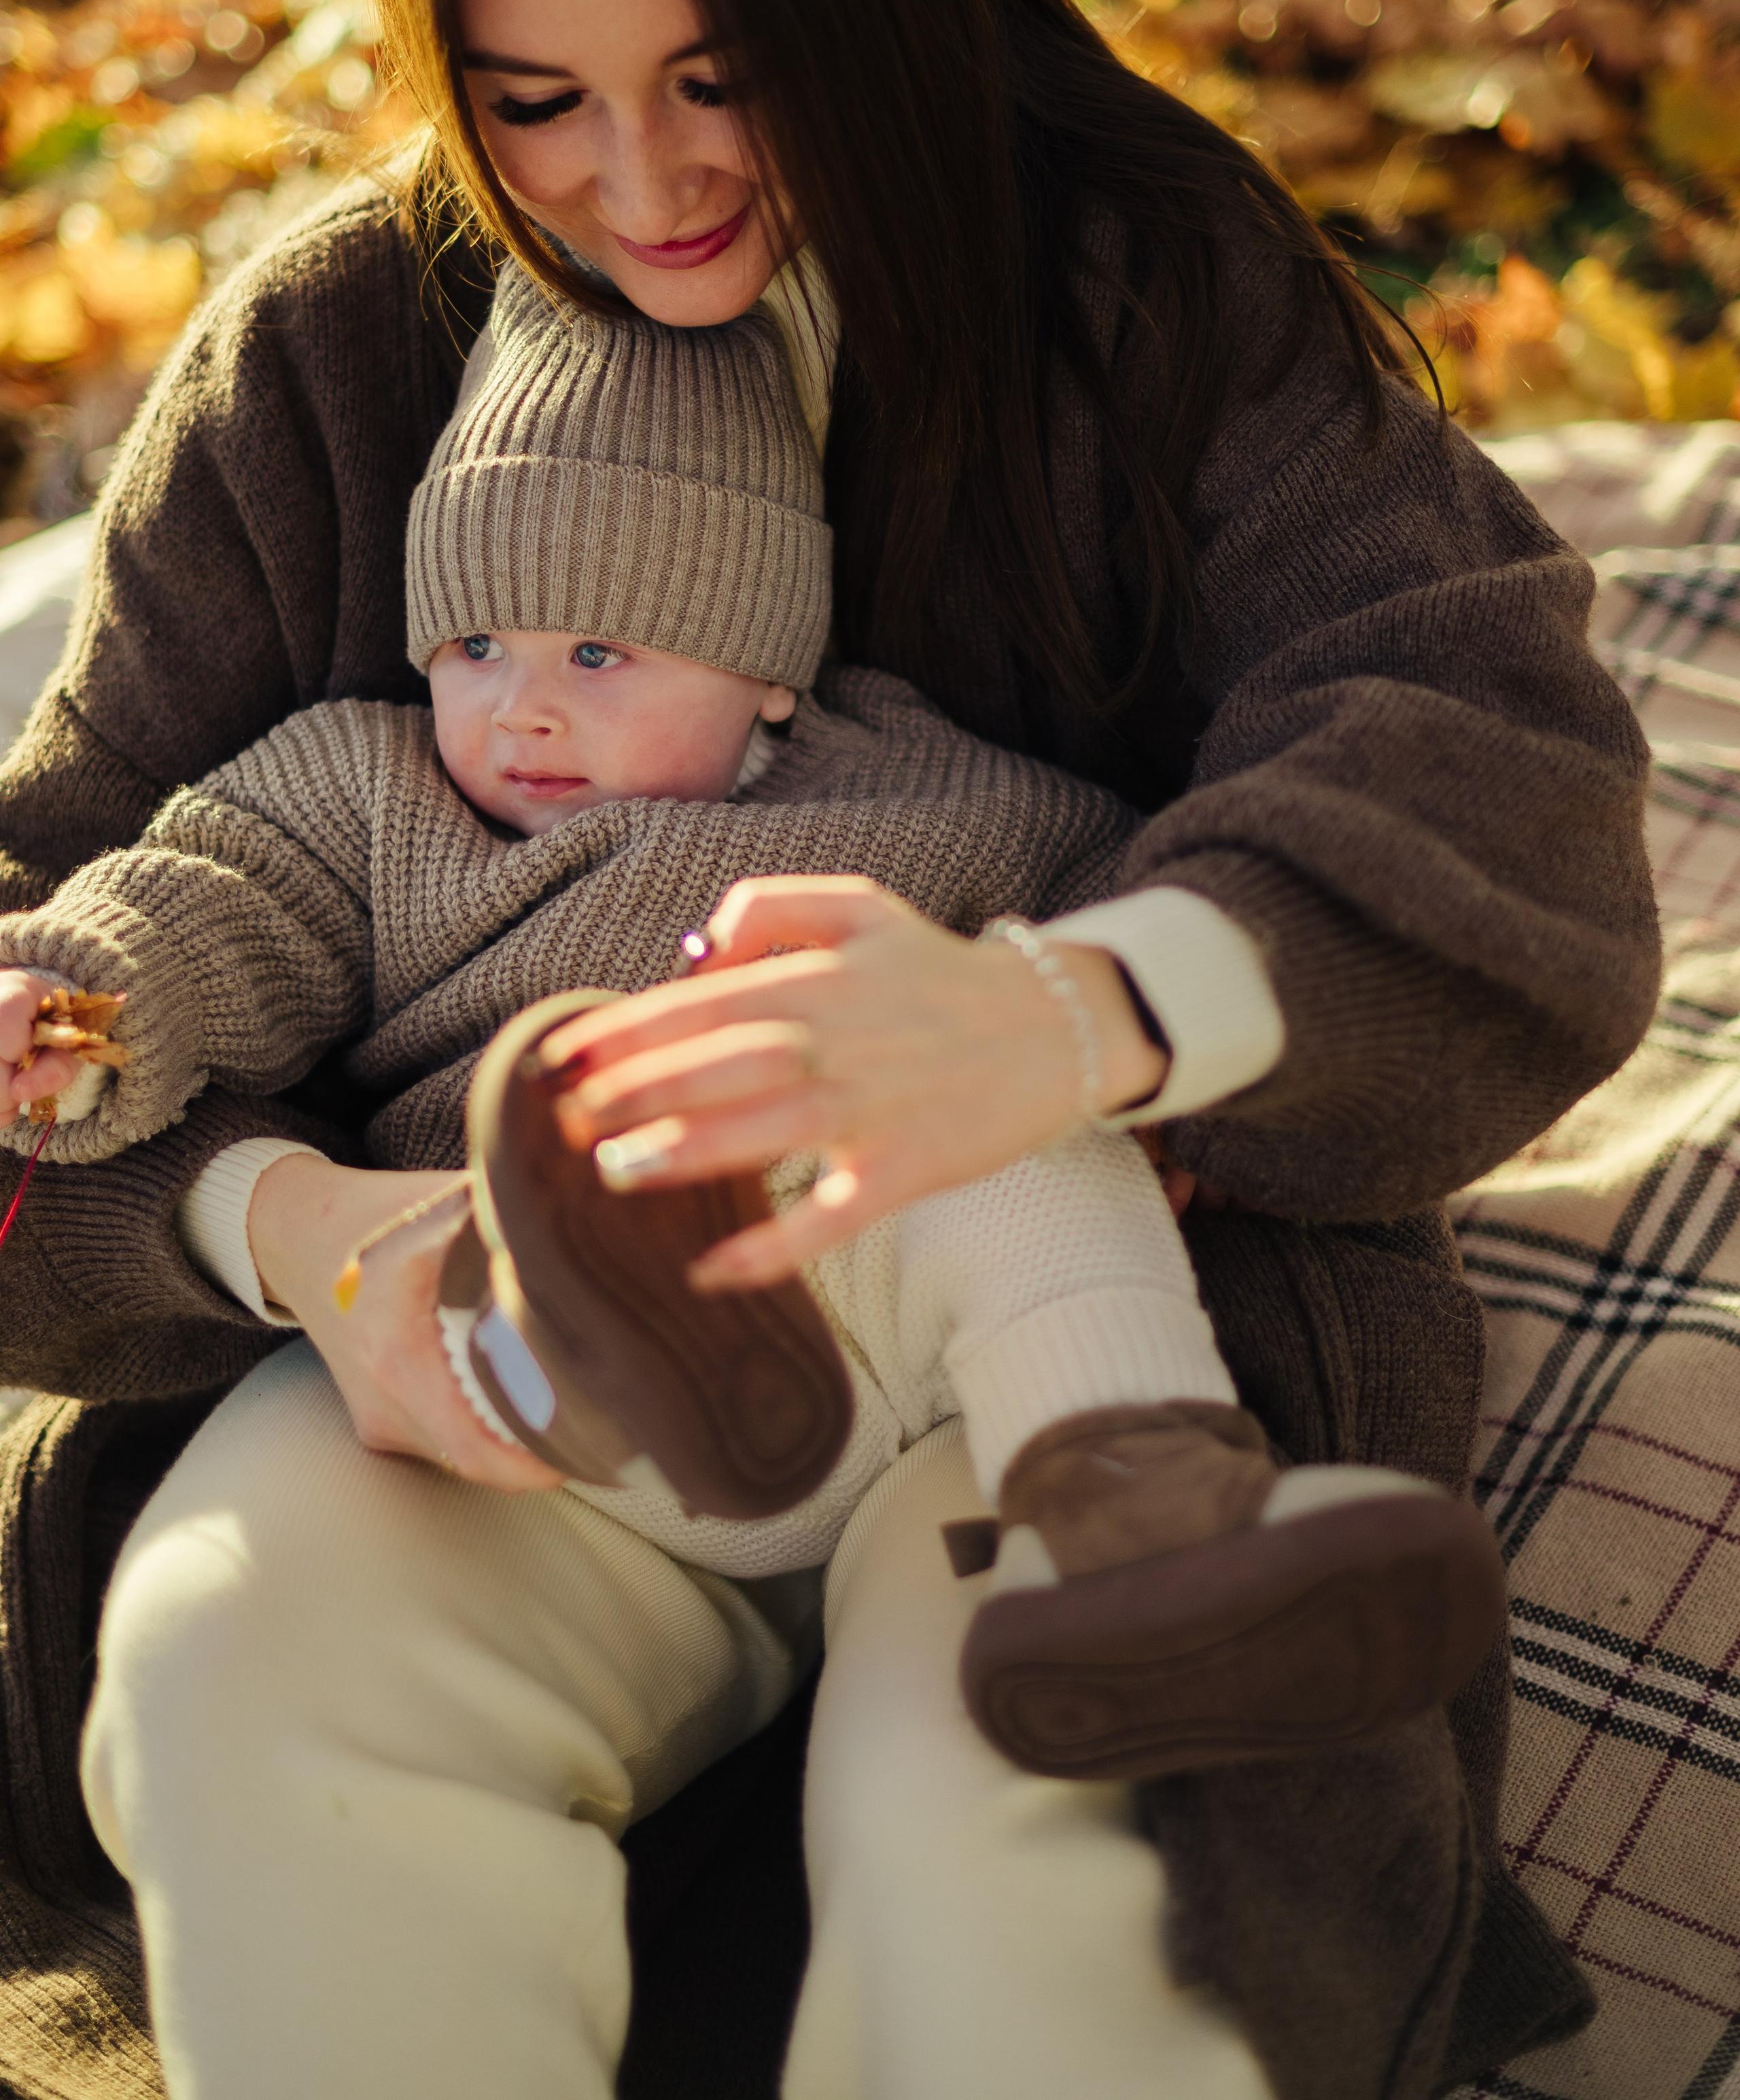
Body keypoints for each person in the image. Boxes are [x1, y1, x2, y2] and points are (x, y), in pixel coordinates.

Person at [0, 0, 1655, 2100]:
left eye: (724, 73)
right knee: (236, 1663)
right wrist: (285, 1225)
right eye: (536, 103)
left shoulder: (1142, 291)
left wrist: (1062, 1018)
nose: (647, 186)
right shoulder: (336, 357)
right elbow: (66, 909)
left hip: (1055, 1309)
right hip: (498, 1342)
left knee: (1037, 1808)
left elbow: (1495, 751)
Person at [0, 251, 1501, 1857]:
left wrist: (1130, 1070)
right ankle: (595, 1340)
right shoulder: (363, 797)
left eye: (601, 657)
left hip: (905, 1336)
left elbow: (1118, 889)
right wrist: (84, 1013)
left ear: (768, 666)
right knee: (535, 1159)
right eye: (479, 647)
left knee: (1026, 1151)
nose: (523, 712)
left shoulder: (917, 787)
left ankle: (1148, 1524)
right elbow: (215, 899)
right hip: (597, 1388)